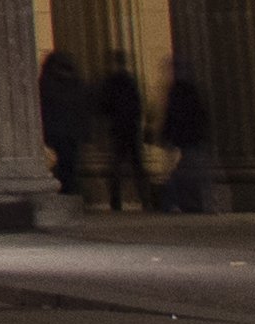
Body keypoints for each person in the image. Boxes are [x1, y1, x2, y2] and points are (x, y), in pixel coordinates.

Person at [90, 54, 151, 210]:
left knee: (118, 165)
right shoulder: (129, 81)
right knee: (135, 165)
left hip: (119, 128)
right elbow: (137, 106)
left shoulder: (111, 82)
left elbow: (103, 106)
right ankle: (144, 199)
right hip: (130, 128)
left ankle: (117, 200)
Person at [155, 66, 218, 213]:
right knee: (194, 171)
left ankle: (183, 203)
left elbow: (173, 116)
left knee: (185, 171)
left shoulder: (178, 92)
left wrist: (167, 135)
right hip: (191, 137)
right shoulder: (188, 91)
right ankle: (196, 203)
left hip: (185, 137)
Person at [37, 51, 92, 201]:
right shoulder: (76, 83)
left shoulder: (47, 83)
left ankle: (68, 191)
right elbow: (83, 109)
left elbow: (45, 109)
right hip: (70, 132)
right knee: (69, 164)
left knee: (65, 164)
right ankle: (70, 191)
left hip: (59, 132)